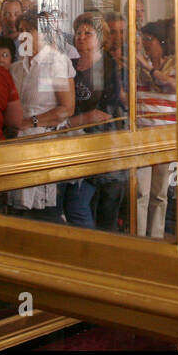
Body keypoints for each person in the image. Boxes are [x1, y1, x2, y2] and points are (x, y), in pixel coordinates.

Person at [7, 14, 74, 219]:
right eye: (20, 30)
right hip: (18, 147)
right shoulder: (17, 68)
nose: (22, 36)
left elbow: (66, 108)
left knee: (45, 216)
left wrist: (31, 122)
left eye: (29, 30)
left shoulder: (56, 62)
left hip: (45, 143)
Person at [62, 13, 126, 228]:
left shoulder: (109, 66)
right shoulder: (69, 64)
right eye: (78, 32)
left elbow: (107, 108)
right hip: (73, 142)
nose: (81, 36)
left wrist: (79, 119)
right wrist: (78, 119)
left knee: (105, 208)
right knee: (78, 206)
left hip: (104, 143)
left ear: (100, 37)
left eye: (88, 33)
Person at [135, 20, 177, 239]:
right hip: (142, 136)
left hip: (166, 137)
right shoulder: (137, 65)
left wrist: (148, 67)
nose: (144, 43)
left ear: (161, 42)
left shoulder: (174, 63)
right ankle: (140, 239)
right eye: (142, 39)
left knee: (160, 193)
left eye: (149, 39)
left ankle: (156, 237)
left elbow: (174, 85)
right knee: (141, 192)